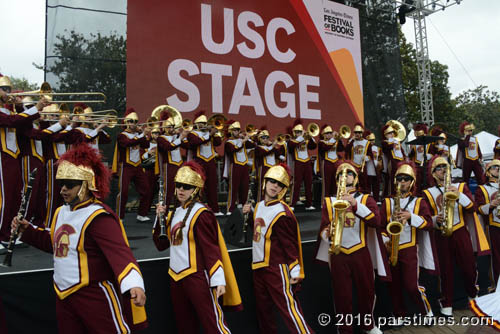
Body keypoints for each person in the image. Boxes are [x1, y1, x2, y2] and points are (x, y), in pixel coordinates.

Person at [11, 143, 147, 333]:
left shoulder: (98, 216)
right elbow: (58, 246)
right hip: (63, 295)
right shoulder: (61, 212)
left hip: (93, 293)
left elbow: (120, 253)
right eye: (61, 183)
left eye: (69, 184)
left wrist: (134, 285)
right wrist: (27, 232)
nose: (63, 189)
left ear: (86, 183)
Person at [153, 161, 242, 333]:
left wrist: (217, 279)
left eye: (186, 186)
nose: (181, 190)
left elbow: (211, 250)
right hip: (176, 278)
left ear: (196, 188)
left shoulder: (202, 214)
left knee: (213, 323)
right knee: (185, 325)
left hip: (198, 277)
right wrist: (160, 219)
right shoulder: (175, 213)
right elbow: (161, 244)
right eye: (178, 185)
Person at [315, 161, 389, 334]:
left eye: (349, 173)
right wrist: (328, 235)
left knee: (367, 291)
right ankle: (345, 329)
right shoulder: (329, 201)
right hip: (338, 252)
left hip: (360, 250)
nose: (344, 176)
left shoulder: (365, 199)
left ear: (355, 179)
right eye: (340, 174)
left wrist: (355, 205)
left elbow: (376, 221)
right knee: (342, 295)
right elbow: (324, 228)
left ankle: (368, 324)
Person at [242, 163, 314, 334]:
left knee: (289, 310)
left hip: (276, 267)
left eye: (280, 184)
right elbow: (259, 232)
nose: (275, 186)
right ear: (265, 181)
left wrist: (295, 269)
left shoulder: (283, 213)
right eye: (272, 181)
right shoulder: (259, 206)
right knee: (264, 312)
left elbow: (289, 244)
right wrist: (249, 215)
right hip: (258, 267)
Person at [422, 156, 490, 317]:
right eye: (439, 168)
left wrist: (458, 194)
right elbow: (425, 217)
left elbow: (472, 207)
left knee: (469, 266)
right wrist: (434, 219)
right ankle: (447, 302)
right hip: (441, 233)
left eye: (445, 168)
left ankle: (473, 295)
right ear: (433, 172)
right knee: (446, 270)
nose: (443, 171)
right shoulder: (427, 193)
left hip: (460, 230)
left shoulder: (460, 186)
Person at [380, 162, 436, 322]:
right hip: (391, 247)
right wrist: (385, 241)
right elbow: (381, 226)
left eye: (406, 179)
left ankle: (426, 312)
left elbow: (428, 224)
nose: (402, 182)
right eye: (399, 179)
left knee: (411, 285)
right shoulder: (388, 201)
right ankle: (399, 315)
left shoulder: (418, 202)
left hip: (410, 248)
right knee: (394, 286)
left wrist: (411, 217)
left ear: (412, 182)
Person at [0, 76, 49, 252]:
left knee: (13, 197)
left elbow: (23, 124)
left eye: (8, 89)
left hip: (12, 157)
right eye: (4, 89)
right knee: (4, 199)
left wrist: (21, 106)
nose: (8, 93)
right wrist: (36, 108)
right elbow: (13, 122)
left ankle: (7, 233)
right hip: (2, 156)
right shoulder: (4, 113)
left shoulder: (9, 111)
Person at [112, 107, 151, 222]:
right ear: (125, 122)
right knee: (123, 191)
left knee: (146, 190)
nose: (132, 124)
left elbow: (146, 145)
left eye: (134, 121)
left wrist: (143, 134)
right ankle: (120, 216)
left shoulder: (137, 135)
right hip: (126, 166)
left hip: (137, 166)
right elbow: (128, 143)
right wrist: (141, 134)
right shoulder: (122, 135)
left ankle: (141, 214)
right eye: (130, 121)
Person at [186, 111, 224, 216]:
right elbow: (195, 142)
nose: (203, 125)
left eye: (204, 122)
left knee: (212, 185)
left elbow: (218, 142)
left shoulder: (209, 133)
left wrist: (215, 132)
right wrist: (209, 134)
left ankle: (215, 209)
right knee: (199, 186)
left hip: (210, 161)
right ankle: (196, 209)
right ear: (196, 124)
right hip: (199, 161)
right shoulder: (192, 134)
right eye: (201, 123)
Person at [474, 159, 500, 291]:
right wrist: (491, 205)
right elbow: (478, 209)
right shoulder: (482, 189)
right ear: (488, 172)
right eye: (495, 167)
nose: (498, 169)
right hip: (492, 226)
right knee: (495, 259)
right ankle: (494, 286)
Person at [223, 120, 255, 213]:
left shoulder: (242, 140)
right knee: (233, 188)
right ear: (231, 131)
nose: (237, 132)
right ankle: (230, 208)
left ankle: (244, 205)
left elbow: (253, 145)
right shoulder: (228, 142)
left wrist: (246, 137)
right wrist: (242, 141)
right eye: (235, 130)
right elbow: (233, 150)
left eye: (238, 130)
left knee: (245, 187)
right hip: (235, 166)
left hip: (244, 166)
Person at [287, 120, 317, 211]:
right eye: (297, 132)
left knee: (308, 183)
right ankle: (292, 204)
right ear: (294, 133)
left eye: (300, 132)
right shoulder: (292, 141)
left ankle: (308, 204)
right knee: (297, 184)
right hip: (298, 163)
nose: (299, 134)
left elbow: (313, 146)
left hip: (307, 163)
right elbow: (291, 147)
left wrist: (310, 137)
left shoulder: (305, 139)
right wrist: (301, 137)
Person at [253, 127, 284, 202]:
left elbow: (279, 154)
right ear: (260, 139)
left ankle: (272, 202)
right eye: (263, 138)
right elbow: (263, 153)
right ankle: (260, 203)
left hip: (272, 170)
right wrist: (272, 146)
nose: (266, 139)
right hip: (263, 169)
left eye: (267, 137)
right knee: (262, 187)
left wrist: (274, 147)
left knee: (273, 187)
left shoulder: (271, 147)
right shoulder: (258, 148)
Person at [318, 124, 344, 199]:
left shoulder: (334, 141)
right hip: (327, 163)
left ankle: (335, 198)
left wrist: (339, 140)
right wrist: (334, 139)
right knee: (327, 182)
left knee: (335, 181)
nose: (329, 134)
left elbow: (341, 149)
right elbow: (326, 148)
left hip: (335, 163)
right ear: (324, 135)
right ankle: (325, 200)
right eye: (327, 133)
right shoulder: (321, 142)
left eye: (330, 133)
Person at [345, 123, 372, 194]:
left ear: (362, 133)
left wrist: (366, 158)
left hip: (363, 166)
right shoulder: (351, 141)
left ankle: (365, 197)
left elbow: (370, 155)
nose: (357, 134)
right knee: (353, 183)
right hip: (353, 165)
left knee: (364, 183)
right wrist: (351, 140)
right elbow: (346, 150)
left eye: (359, 132)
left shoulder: (367, 142)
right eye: (356, 132)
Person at [456, 121, 485, 186]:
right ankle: (466, 193)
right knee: (466, 179)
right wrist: (467, 137)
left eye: (471, 130)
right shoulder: (461, 140)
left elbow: (478, 149)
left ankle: (482, 191)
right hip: (467, 161)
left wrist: (480, 157)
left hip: (476, 161)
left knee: (480, 178)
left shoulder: (475, 139)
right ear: (464, 131)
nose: (470, 132)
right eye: (468, 130)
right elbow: (465, 145)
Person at [381, 124, 406, 196]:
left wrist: (405, 159)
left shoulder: (397, 141)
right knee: (392, 179)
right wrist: (392, 144)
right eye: (389, 133)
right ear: (385, 135)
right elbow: (386, 148)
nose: (392, 134)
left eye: (392, 132)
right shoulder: (385, 142)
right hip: (392, 164)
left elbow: (402, 152)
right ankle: (391, 194)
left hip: (400, 163)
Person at [408, 123, 433, 194]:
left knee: (428, 183)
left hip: (427, 166)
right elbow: (410, 156)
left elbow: (433, 155)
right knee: (417, 184)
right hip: (416, 167)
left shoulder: (430, 143)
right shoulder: (413, 144)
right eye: (418, 137)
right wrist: (412, 150)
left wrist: (427, 155)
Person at [365, 130, 382, 202]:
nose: (372, 141)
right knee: (367, 187)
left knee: (376, 187)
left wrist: (379, 166)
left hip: (376, 170)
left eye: (373, 140)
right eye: (370, 140)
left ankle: (376, 200)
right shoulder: (365, 148)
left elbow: (380, 158)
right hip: (368, 170)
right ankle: (368, 200)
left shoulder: (378, 148)